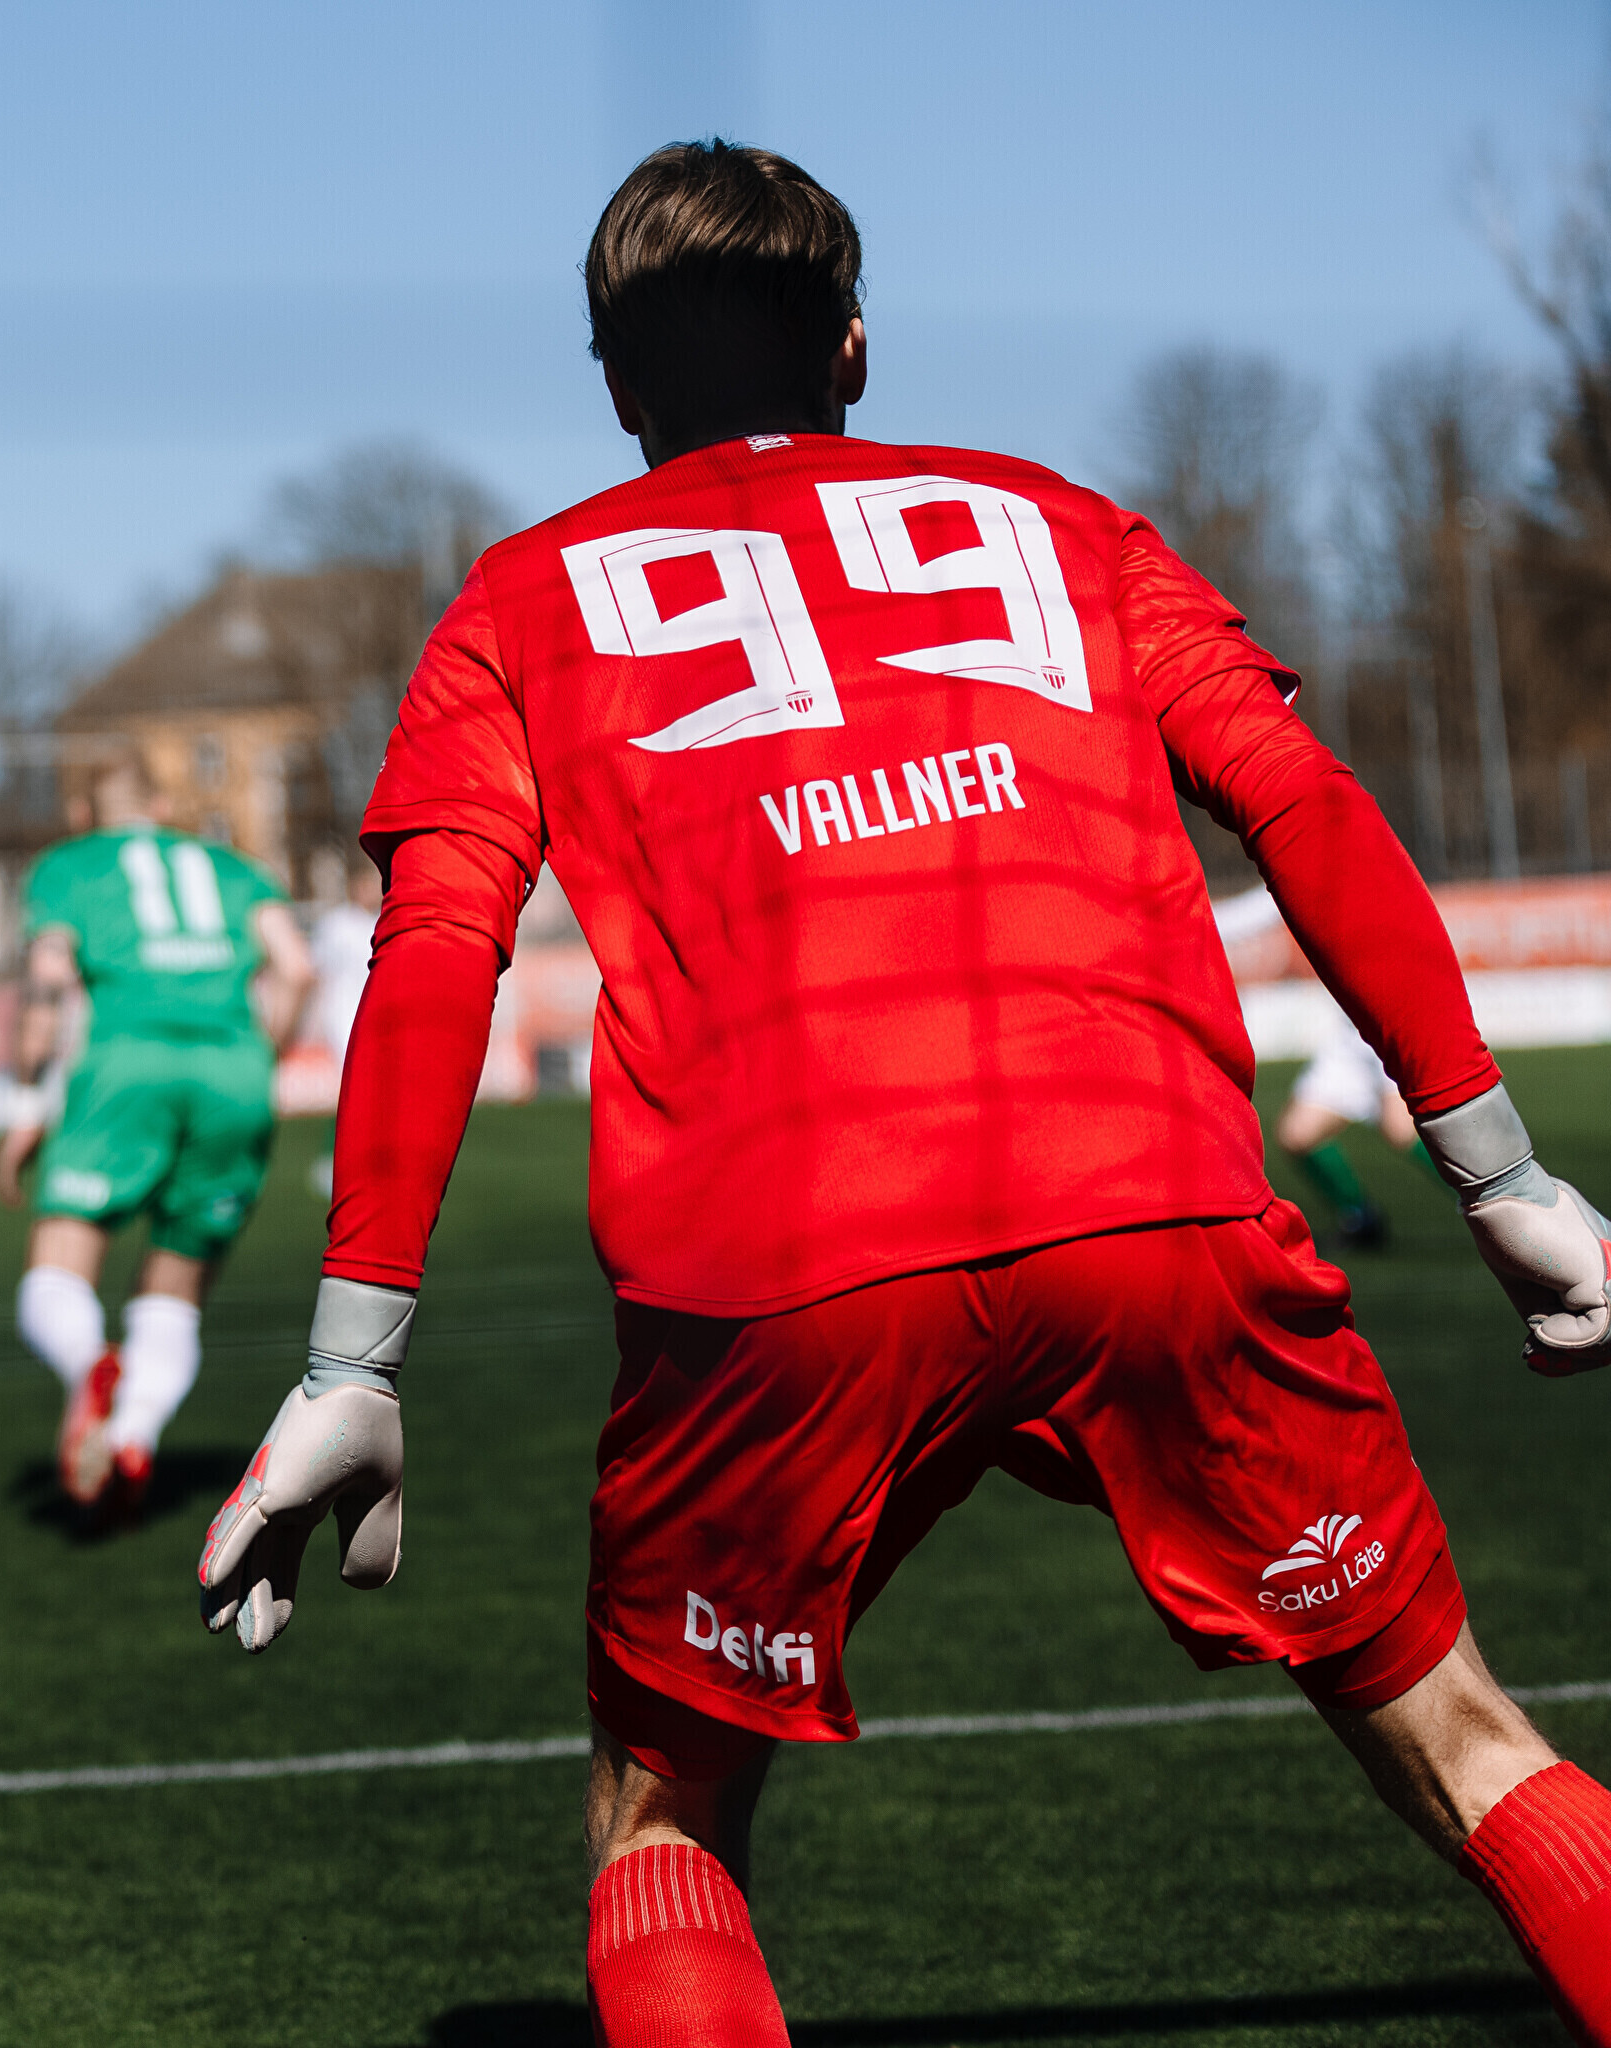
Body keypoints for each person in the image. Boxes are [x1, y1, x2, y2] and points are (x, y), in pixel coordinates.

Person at [193, 141, 1611, 2041]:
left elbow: (438, 952)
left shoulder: (520, 605)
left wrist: (353, 1359)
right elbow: (1302, 801)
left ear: (613, 385)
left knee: (661, 1822)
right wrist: (1498, 1171)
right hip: (1153, 1199)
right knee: (1467, 1735)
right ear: (853, 346)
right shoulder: (1064, 524)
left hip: (780, 1262)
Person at [0, 754, 315, 1523]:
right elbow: (298, 969)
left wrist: (27, 1099)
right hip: (235, 1070)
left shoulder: (69, 864)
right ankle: (135, 1435)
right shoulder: (232, 866)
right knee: (177, 1289)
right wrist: (261, 1059)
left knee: (57, 1274)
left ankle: (89, 1364)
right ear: (164, 804)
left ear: (83, 815)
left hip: (125, 1063)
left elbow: (48, 981)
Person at [1219, 884, 1421, 1248]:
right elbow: (1255, 910)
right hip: (1353, 1031)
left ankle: (1490, 1206)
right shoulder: (1305, 876)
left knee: (1401, 1130)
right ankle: (1361, 1219)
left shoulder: (1360, 880)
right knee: (1298, 1134)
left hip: (1391, 1015)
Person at [303, 858, 382, 1198]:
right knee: (352, 1089)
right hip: (344, 1017)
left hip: (376, 1016)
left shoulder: (380, 922)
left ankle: (370, 1161)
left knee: (375, 1092)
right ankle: (332, 1162)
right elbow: (316, 969)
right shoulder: (337, 925)